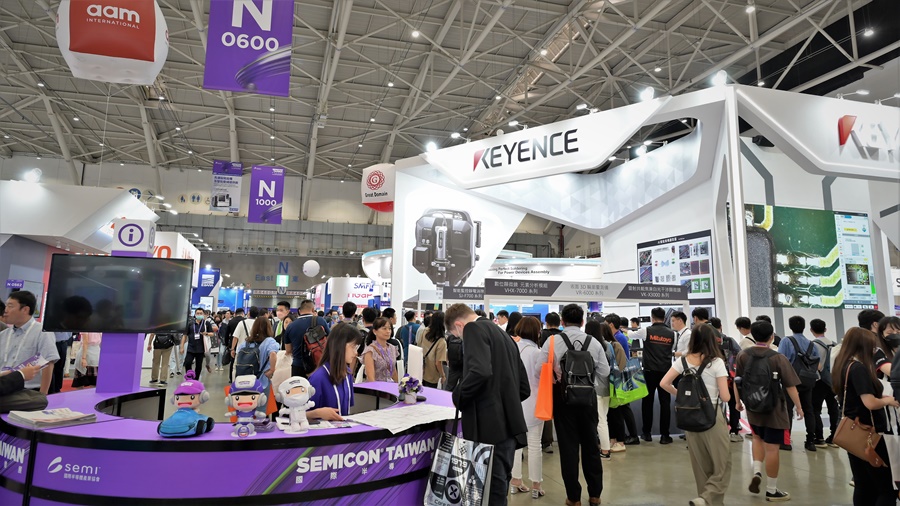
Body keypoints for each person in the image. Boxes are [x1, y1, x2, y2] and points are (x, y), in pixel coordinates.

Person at [448, 303, 529, 506]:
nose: (461, 339)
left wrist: (458, 396)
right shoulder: (504, 336)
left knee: (490, 492)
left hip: (488, 427)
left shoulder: (473, 329)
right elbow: (524, 388)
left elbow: (480, 371)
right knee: (499, 488)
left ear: (459, 325)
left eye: (457, 336)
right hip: (509, 427)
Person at [540, 304, 608, 506]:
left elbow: (539, 369)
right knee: (591, 446)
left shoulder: (552, 341)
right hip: (588, 400)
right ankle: (595, 495)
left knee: (568, 448)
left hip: (563, 400)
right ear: (582, 321)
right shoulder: (593, 342)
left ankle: (573, 497)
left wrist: (557, 375)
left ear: (562, 322)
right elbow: (604, 372)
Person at [661, 324, 731, 506]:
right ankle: (706, 499)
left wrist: (682, 396)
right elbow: (725, 397)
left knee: (701, 466)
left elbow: (664, 383)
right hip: (712, 416)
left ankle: (705, 500)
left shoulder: (682, 361)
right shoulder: (716, 362)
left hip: (690, 416)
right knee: (722, 464)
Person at [734, 320, 803, 503]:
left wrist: (738, 402)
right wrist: (799, 406)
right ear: (772, 336)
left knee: (757, 438)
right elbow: (790, 386)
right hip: (774, 408)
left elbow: (737, 380)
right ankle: (771, 490)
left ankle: (757, 471)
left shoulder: (743, 355)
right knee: (772, 448)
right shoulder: (777, 357)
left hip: (752, 406)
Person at [832, 327, 899, 506]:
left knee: (863, 485)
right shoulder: (859, 369)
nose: (874, 350)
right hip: (868, 432)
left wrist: (879, 397)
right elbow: (869, 403)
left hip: (853, 431)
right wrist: (888, 400)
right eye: (872, 346)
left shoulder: (842, 365)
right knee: (886, 488)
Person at [510, 316, 545, 498]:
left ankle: (515, 481)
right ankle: (536, 485)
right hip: (535, 403)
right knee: (534, 444)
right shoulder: (538, 353)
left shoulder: (512, 348)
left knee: (515, 444)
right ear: (537, 332)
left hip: (514, 403)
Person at [0, 291, 59, 394]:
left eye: (10, 306)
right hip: (4, 387)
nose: (6, 310)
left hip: (28, 391)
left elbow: (48, 363)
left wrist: (42, 394)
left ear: (25, 309)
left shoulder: (42, 332)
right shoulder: (3, 334)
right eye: (6, 306)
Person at [778, 315, 819, 452]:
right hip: (807, 380)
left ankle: (786, 441)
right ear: (804, 327)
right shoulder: (811, 344)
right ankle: (811, 441)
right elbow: (816, 362)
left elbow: (781, 360)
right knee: (809, 410)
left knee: (787, 410)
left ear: (790, 326)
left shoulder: (786, 341)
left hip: (790, 380)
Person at [307, 323, 362, 421]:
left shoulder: (347, 373)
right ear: (340, 345)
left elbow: (347, 408)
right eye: (353, 347)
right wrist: (317, 413)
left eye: (357, 348)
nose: (356, 352)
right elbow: (298, 416)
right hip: (323, 429)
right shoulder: (318, 378)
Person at [640, 307, 676, 444]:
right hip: (666, 372)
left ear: (652, 317)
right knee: (665, 403)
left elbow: (630, 335)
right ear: (665, 318)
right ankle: (665, 436)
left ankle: (646, 433)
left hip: (649, 372)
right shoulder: (673, 334)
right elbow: (672, 350)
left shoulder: (646, 331)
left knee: (647, 402)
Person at [710, 317, 744, 442]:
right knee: (733, 402)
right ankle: (734, 430)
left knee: (712, 403)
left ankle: (712, 430)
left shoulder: (706, 341)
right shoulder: (729, 340)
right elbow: (739, 355)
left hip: (712, 378)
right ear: (720, 326)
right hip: (729, 378)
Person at [585, 320, 615, 459]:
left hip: (595, 386)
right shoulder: (608, 345)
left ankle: (605, 450)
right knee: (603, 418)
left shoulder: (589, 345)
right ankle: (603, 447)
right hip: (607, 386)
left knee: (600, 420)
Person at [808, 318, 839, 448]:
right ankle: (834, 437)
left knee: (815, 409)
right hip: (833, 381)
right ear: (825, 329)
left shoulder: (813, 345)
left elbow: (813, 364)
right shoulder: (835, 345)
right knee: (833, 408)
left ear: (811, 330)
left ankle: (819, 438)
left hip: (819, 381)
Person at [283, 300, 330, 379]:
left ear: (300, 311)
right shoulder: (320, 321)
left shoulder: (290, 326)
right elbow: (329, 340)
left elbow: (288, 350)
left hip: (297, 366)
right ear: (313, 309)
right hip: (317, 364)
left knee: (298, 386)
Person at [235, 318, 279, 391]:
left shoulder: (246, 342)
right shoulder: (269, 341)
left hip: (243, 381)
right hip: (261, 381)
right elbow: (273, 354)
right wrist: (272, 370)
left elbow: (238, 355)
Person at [540, 312, 562, 453]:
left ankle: (546, 442)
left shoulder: (542, 336)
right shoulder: (563, 336)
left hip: (545, 378)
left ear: (546, 323)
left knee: (545, 409)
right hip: (561, 380)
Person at [362, 317, 399, 383]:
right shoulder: (370, 350)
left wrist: (399, 385)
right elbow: (370, 377)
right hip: (376, 387)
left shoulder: (392, 348)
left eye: (389, 328)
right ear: (375, 331)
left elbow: (393, 371)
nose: (388, 331)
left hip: (390, 385)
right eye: (384, 328)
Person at [182, 308, 215, 381]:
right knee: (188, 363)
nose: (199, 315)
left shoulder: (206, 323)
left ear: (203, 314)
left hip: (201, 348)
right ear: (195, 314)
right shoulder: (190, 323)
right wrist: (182, 347)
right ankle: (189, 378)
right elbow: (185, 335)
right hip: (191, 347)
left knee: (198, 365)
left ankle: (196, 380)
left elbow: (212, 333)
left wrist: (206, 333)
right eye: (197, 313)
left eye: (201, 313)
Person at [417, 311, 447, 388]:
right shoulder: (442, 341)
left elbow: (419, 346)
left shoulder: (425, 331)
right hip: (432, 375)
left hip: (421, 370)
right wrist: (443, 375)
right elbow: (438, 363)